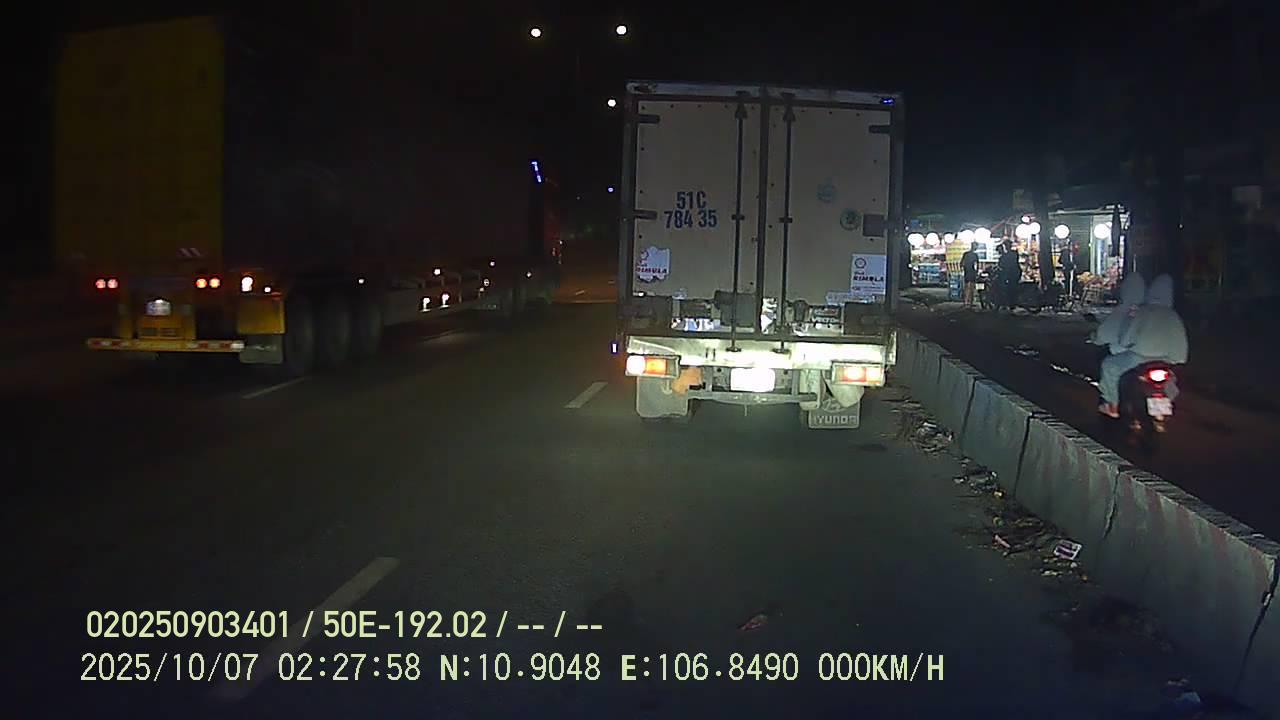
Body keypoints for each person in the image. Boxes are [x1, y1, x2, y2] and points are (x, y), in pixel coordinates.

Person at [1096, 274, 1188, 418]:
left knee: (1109, 366)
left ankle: (1113, 406)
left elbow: (1126, 338)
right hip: (1168, 360)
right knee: (1171, 378)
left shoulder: (1142, 311)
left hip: (1140, 357)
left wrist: (1124, 344)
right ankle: (1165, 403)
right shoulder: (1173, 315)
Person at [997, 242, 1021, 310]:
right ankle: (1010, 303)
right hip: (1015, 273)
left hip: (1012, 274)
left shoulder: (1007, 255)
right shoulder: (1013, 253)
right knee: (1011, 287)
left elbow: (1005, 266)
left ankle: (1011, 303)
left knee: (1009, 288)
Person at [961, 242, 980, 307]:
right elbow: (976, 265)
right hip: (971, 272)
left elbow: (962, 263)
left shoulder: (966, 254)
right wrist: (976, 272)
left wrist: (963, 268)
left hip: (968, 272)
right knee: (970, 287)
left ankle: (967, 302)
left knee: (968, 287)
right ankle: (969, 302)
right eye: (976, 246)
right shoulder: (974, 255)